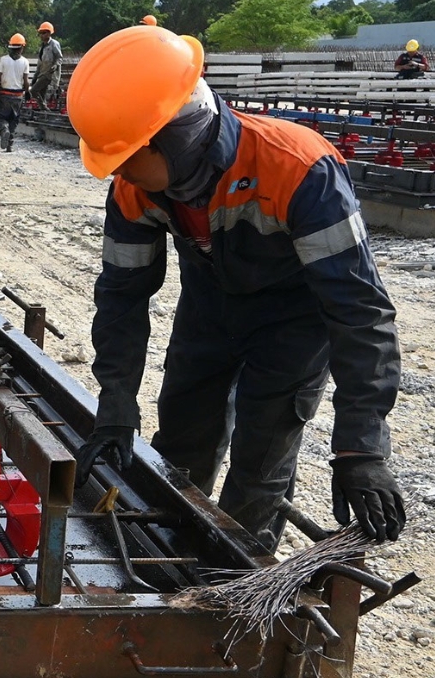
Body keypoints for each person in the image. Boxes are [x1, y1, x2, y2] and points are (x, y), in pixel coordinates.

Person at [66, 27, 405, 549]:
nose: (120, 172)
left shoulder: (294, 168)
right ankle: (164, 560)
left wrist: (361, 449)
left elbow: (360, 311)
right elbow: (121, 296)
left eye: (128, 155)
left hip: (293, 326)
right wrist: (115, 403)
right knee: (179, 449)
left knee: (259, 471)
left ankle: (228, 595)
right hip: (209, 310)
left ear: (172, 136)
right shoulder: (136, 189)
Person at [0, 33, 30, 153]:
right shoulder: (25, 62)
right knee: (14, 119)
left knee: (1, 117)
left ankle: (4, 130)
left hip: (4, 94)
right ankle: (9, 145)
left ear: (10, 47)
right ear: (22, 47)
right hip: (18, 96)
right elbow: (26, 81)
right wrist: (28, 92)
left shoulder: (3, 60)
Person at [28, 22, 62, 108]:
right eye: (40, 33)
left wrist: (55, 65)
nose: (42, 35)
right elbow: (40, 64)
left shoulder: (54, 44)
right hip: (42, 74)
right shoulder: (42, 47)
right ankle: (44, 112)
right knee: (41, 95)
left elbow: (60, 58)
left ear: (49, 33)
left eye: (44, 33)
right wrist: (35, 78)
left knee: (34, 91)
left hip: (49, 75)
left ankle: (44, 108)